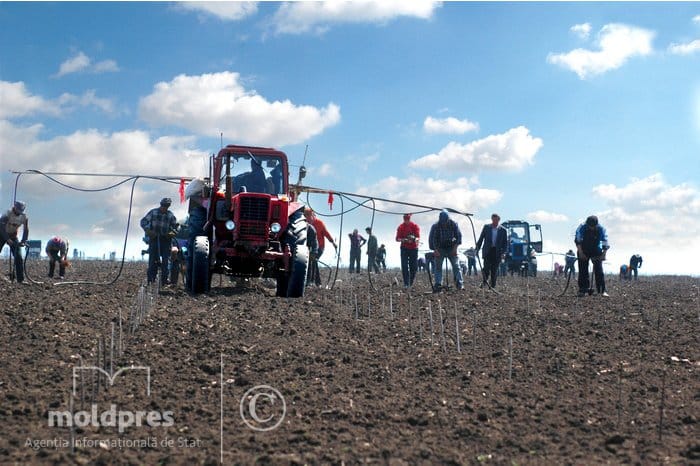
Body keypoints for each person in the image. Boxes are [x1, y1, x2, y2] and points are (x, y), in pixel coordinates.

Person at [140, 198, 178, 286]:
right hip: (154, 239)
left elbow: (176, 227)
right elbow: (143, 222)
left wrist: (171, 234)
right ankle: (150, 280)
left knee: (165, 262)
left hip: (166, 240)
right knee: (152, 260)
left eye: (166, 206)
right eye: (163, 205)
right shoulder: (153, 212)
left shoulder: (170, 215)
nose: (164, 207)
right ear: (161, 205)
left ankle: (164, 281)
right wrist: (148, 231)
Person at [575, 215, 610, 297]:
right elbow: (578, 240)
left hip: (596, 250)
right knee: (583, 270)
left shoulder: (601, 229)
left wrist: (603, 255)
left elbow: (605, 241)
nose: (591, 228)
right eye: (589, 226)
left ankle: (602, 291)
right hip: (583, 249)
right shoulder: (581, 227)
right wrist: (581, 253)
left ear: (596, 225)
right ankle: (583, 290)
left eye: (593, 227)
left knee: (599, 270)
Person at [428, 210, 464, 291]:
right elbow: (433, 239)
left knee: (456, 265)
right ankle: (438, 284)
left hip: (452, 247)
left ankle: (459, 283)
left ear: (448, 219)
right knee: (438, 266)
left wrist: (455, 249)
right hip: (440, 248)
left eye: (445, 222)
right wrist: (435, 250)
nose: (444, 224)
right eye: (442, 222)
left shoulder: (454, 224)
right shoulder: (436, 226)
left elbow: (459, 237)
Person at [303, 208, 337, 286]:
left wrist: (333, 242)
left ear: (313, 215)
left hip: (320, 247)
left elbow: (326, 233)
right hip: (308, 247)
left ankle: (313, 282)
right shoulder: (303, 223)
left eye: (308, 215)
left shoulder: (319, 223)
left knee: (313, 261)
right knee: (312, 262)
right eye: (305, 215)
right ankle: (315, 282)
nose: (307, 217)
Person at [475, 213, 508, 289]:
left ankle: (492, 285)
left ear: (498, 220)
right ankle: (484, 282)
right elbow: (481, 239)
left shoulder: (503, 230)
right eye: (493, 220)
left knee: (494, 269)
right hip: (487, 251)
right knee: (486, 268)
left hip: (497, 252)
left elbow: (505, 243)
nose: (494, 221)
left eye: (496, 220)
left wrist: (504, 253)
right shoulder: (486, 227)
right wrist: (477, 249)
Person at [0, 201, 29, 283]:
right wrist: (7, 239)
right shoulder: (7, 213)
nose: (19, 212)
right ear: (15, 207)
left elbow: (26, 229)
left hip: (13, 236)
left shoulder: (24, 217)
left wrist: (24, 240)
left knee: (18, 257)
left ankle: (21, 280)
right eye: (18, 210)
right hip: (2, 234)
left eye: (21, 210)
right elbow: (1, 227)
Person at [395, 213, 420, 288]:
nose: (406, 221)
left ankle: (410, 282)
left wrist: (414, 239)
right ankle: (406, 283)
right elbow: (397, 239)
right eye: (405, 219)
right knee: (404, 266)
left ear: (410, 219)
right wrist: (404, 240)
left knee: (414, 266)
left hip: (413, 248)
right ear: (403, 219)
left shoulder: (415, 226)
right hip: (404, 248)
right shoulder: (401, 227)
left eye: (408, 219)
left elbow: (418, 237)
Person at [306, 221, 319, 287]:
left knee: (310, 265)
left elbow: (314, 242)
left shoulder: (311, 229)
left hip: (309, 250)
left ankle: (309, 282)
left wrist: (314, 252)